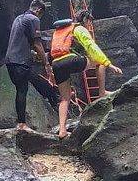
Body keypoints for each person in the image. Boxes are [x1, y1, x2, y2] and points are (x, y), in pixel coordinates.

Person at [49, 10, 122, 139]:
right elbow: (91, 46)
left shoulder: (60, 30)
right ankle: (101, 92)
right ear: (86, 20)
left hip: (56, 63)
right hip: (70, 60)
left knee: (65, 98)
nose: (90, 25)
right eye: (90, 22)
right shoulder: (79, 29)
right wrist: (108, 64)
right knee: (100, 63)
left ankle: (62, 130)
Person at [4, 0, 60, 132]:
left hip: (11, 61)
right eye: (42, 14)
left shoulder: (18, 19)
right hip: (21, 62)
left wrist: (32, 54)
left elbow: (21, 42)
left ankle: (22, 122)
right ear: (39, 10)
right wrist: (46, 64)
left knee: (25, 88)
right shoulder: (33, 19)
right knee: (23, 90)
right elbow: (37, 43)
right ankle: (22, 124)